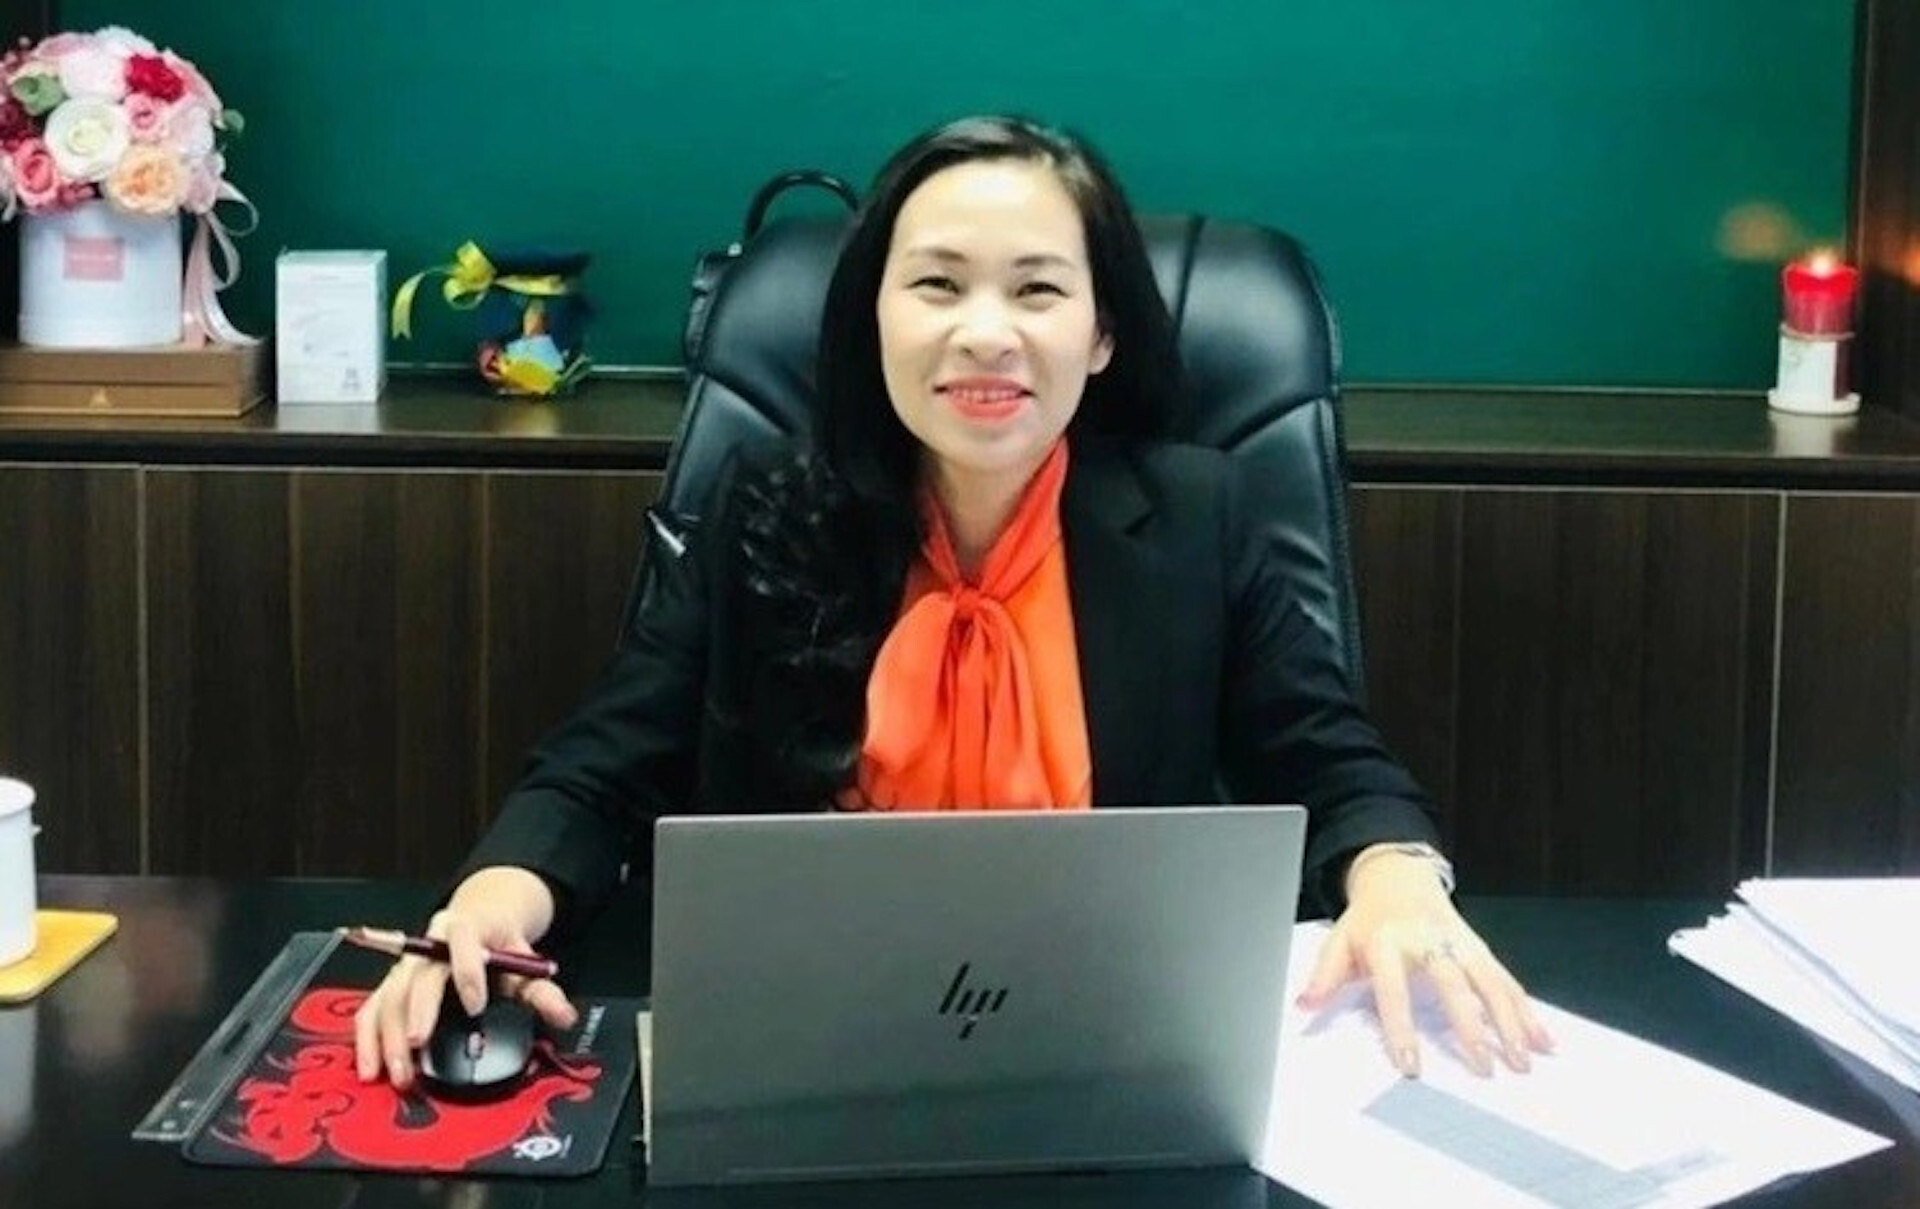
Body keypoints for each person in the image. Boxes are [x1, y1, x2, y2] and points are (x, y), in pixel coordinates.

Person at [354, 114, 1553, 1092]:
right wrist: (495, 899)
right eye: (936, 284)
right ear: (874, 315)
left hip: (1114, 1044)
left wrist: (1396, 876)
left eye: (1038, 290)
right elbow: (601, 769)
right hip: (800, 1045)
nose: (986, 336)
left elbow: (1330, 758)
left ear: (1101, 335)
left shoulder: (1200, 517)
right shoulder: (768, 505)